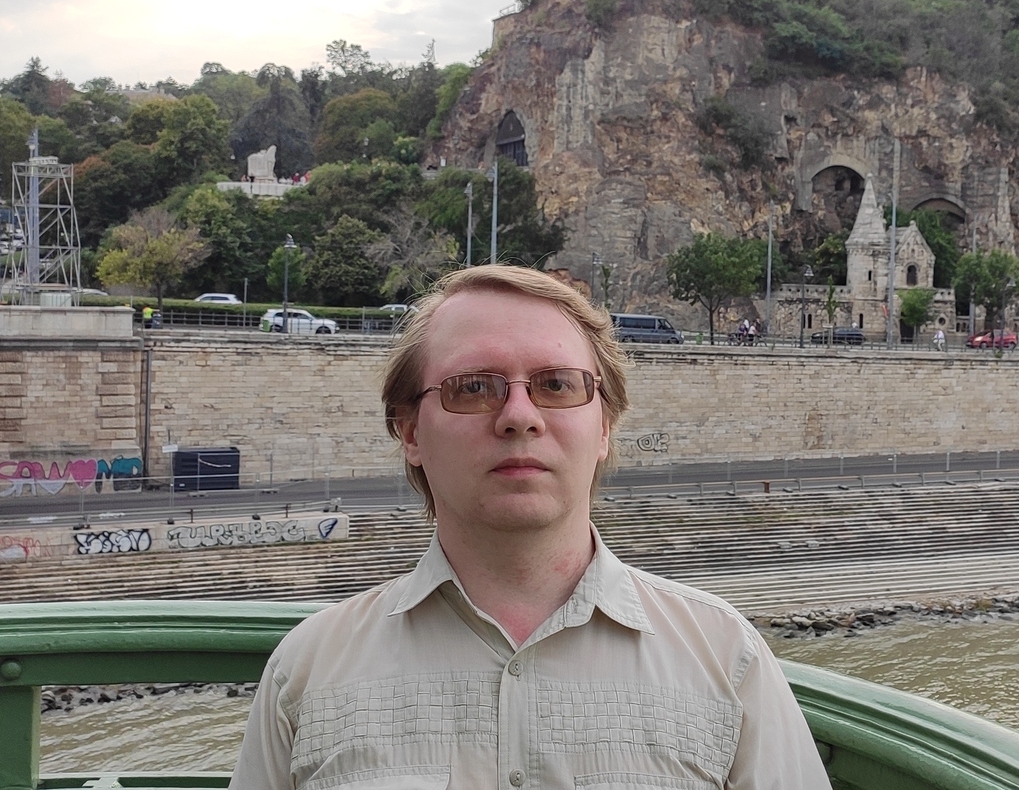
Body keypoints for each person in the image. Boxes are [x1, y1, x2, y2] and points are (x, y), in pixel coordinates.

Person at [231, 265, 827, 790]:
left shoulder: (728, 659)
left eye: (556, 385)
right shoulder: (304, 676)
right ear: (410, 432)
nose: (520, 417)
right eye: (473, 388)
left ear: (604, 428)